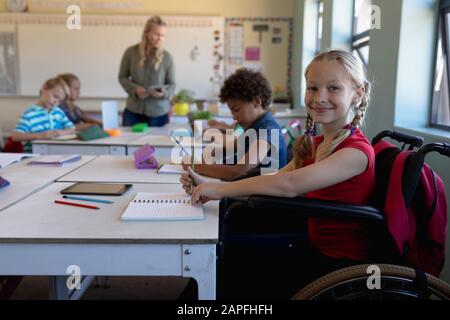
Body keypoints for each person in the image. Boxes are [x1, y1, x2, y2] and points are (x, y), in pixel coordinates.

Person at [181, 50, 374, 293]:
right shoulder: (318, 142)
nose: (319, 97)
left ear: (358, 94)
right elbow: (277, 177)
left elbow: (289, 184)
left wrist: (220, 189)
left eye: (333, 88)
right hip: (309, 236)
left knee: (228, 255)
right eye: (313, 88)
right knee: (225, 243)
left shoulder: (355, 152)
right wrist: (210, 185)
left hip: (334, 260)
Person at [181, 68, 287, 181]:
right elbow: (230, 148)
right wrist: (211, 153)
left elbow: (238, 171)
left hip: (256, 196)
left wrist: (195, 166)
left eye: (236, 110)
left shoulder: (268, 130)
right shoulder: (254, 126)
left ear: (256, 102)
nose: (234, 117)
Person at [119, 16, 175, 127]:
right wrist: (135, 89)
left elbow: (172, 84)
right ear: (146, 33)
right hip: (133, 111)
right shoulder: (130, 52)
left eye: (163, 35)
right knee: (130, 143)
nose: (160, 38)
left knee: (155, 145)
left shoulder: (167, 57)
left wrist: (164, 92)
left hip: (159, 112)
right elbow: (122, 77)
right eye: (156, 34)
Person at [11, 77, 75, 152]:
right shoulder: (29, 114)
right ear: (44, 88)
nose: (56, 102)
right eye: (55, 96)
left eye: (60, 101)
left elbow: (72, 128)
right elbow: (16, 136)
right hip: (34, 156)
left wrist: (59, 133)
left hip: (56, 154)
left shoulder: (58, 112)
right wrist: (40, 135)